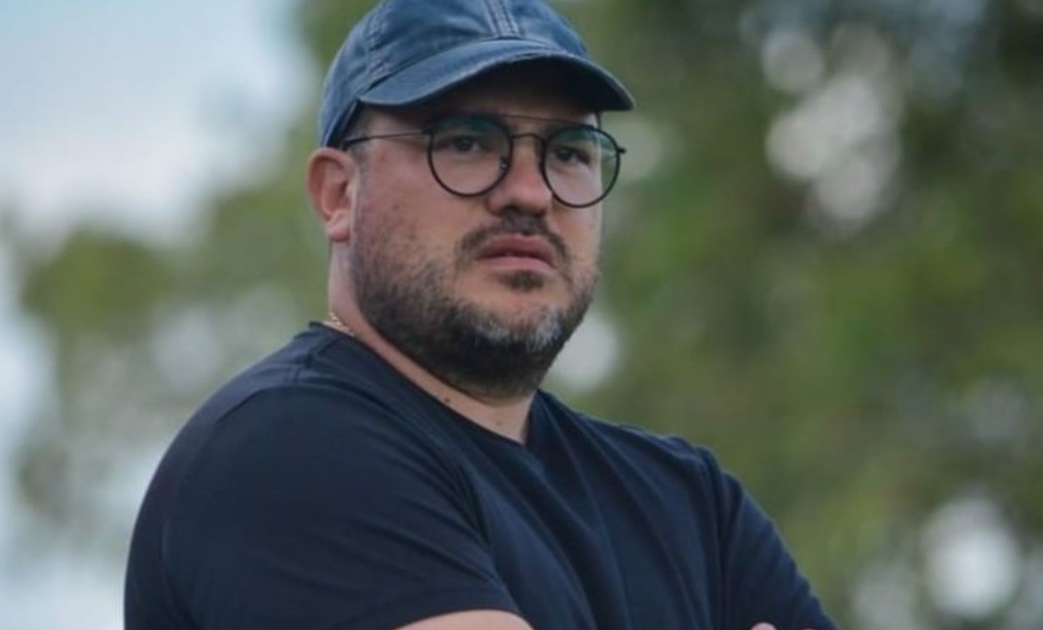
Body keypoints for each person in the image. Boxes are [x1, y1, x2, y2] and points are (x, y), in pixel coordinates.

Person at [124, 0, 839, 629]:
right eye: (465, 142)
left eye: (568, 152)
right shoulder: (285, 448)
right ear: (338, 195)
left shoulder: (688, 505)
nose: (530, 191)